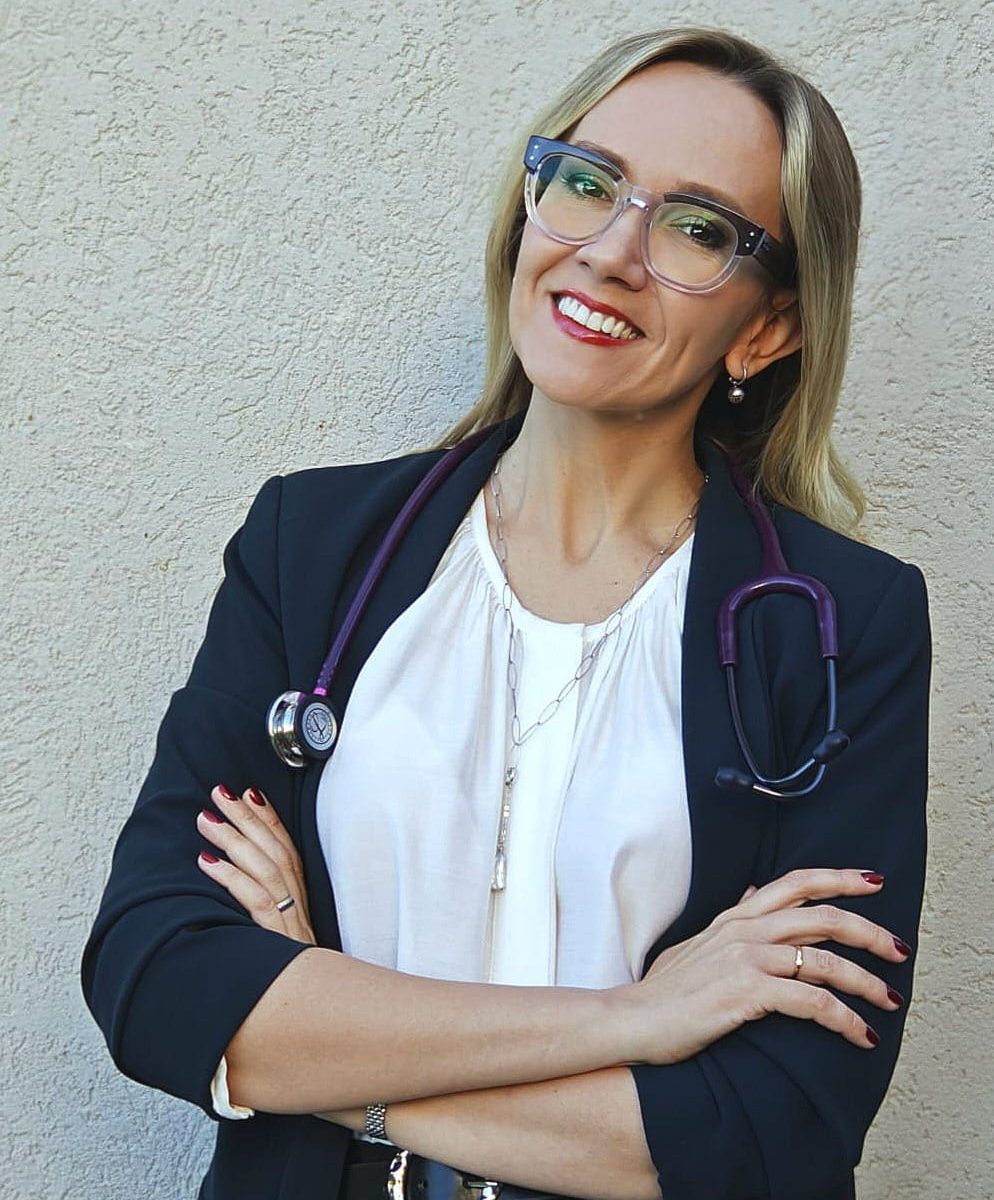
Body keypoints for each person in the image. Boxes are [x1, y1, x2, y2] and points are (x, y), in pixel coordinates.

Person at [80, 25, 932, 1200]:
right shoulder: (310, 547)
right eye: (586, 183)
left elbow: (774, 1134)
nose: (611, 252)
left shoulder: (841, 626)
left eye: (695, 228)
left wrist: (309, 1032)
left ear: (766, 327)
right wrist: (639, 1017)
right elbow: (156, 982)